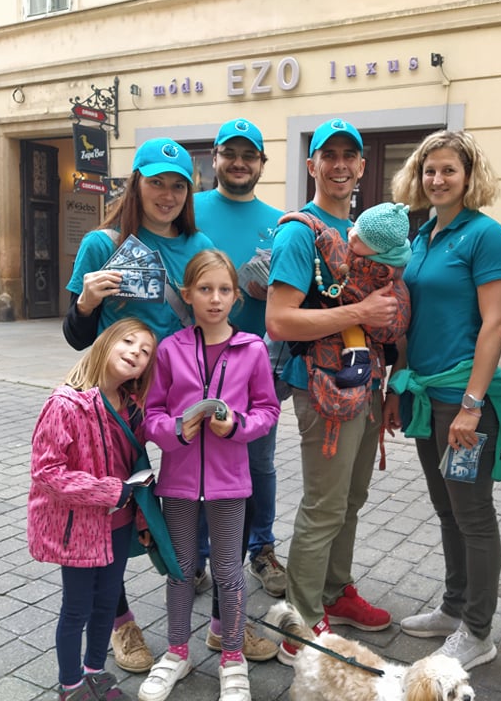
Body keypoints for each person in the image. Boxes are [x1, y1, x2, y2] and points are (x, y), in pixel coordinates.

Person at [63, 137, 212, 674]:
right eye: (156, 183)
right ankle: (120, 622)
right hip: (117, 403)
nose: (167, 195)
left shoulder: (198, 245)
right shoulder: (102, 244)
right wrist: (87, 301)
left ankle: (194, 573)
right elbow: (77, 336)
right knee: (113, 508)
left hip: (180, 398)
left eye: (178, 186)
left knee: (194, 496)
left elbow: (209, 321)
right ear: (136, 185)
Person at [265, 118, 402, 664]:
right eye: (330, 155)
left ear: (362, 166)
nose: (340, 164)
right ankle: (299, 622)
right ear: (312, 164)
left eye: (350, 155)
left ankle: (335, 592)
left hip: (366, 386)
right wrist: (360, 311)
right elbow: (279, 320)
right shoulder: (300, 232)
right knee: (324, 505)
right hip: (322, 390)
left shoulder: (367, 231)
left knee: (351, 499)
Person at [384, 130, 501, 671]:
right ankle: (455, 607)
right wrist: (396, 385)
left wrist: (471, 404)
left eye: (448, 170)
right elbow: (407, 318)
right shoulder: (422, 235)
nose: (437, 179)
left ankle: (478, 631)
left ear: (469, 176)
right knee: (447, 510)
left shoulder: (485, 235)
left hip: (463, 402)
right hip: (425, 395)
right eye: (429, 170)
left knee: (473, 515)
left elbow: (495, 323)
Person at [140, 250, 280, 701]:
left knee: (228, 571)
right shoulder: (170, 349)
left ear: (237, 296)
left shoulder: (252, 349)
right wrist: (175, 431)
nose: (215, 299)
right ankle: (177, 653)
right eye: (205, 289)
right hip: (178, 483)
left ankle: (232, 657)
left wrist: (236, 425)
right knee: (181, 569)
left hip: (230, 484)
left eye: (223, 290)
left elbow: (268, 410)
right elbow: (152, 415)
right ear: (188, 295)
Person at [27, 318, 163, 701]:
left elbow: (136, 466)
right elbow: (46, 472)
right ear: (105, 343)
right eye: (129, 342)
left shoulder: (132, 408)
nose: (135, 352)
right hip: (80, 527)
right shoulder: (65, 404)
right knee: (77, 608)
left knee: (106, 604)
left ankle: (95, 672)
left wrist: (141, 517)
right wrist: (109, 491)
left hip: (119, 524)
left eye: (145, 352)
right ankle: (70, 685)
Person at [193, 118, 288, 615]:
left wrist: (269, 291)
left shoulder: (280, 222)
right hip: (194, 361)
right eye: (230, 153)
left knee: (257, 464)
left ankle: (261, 548)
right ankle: (196, 556)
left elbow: (295, 292)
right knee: (194, 462)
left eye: (249, 155)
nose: (239, 163)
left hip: (256, 365)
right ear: (215, 158)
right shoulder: (188, 210)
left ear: (261, 164)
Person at [338, 201, 412, 387]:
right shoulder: (384, 257)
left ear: (378, 252)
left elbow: (347, 281)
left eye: (360, 240)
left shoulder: (377, 269)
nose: (352, 237)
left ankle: (358, 358)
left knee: (347, 307)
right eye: (356, 229)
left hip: (386, 323)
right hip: (390, 319)